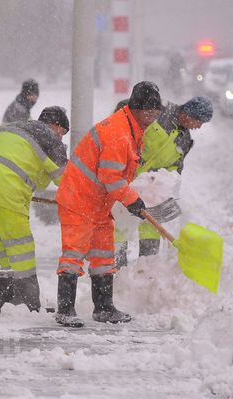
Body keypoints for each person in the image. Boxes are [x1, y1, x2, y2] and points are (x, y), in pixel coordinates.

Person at [54, 81, 163, 328]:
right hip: (79, 199)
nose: (153, 117)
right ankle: (65, 309)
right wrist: (132, 200)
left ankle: (104, 308)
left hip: (98, 203)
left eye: (156, 112)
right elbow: (110, 176)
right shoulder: (118, 132)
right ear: (135, 108)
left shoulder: (131, 128)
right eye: (149, 111)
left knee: (104, 255)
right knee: (74, 254)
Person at [0, 106, 70, 313]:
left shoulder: (11, 127)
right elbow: (65, 180)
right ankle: (28, 304)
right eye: (62, 132)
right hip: (8, 194)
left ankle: (7, 300)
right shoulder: (49, 138)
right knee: (21, 249)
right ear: (55, 126)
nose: (61, 137)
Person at [115, 96, 214, 264]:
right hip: (125, 178)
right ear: (189, 114)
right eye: (199, 121)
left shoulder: (184, 140)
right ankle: (115, 264)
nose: (199, 127)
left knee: (151, 227)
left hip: (150, 189)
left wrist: (164, 187)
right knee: (120, 222)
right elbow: (124, 108)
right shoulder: (160, 111)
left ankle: (148, 266)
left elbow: (175, 169)